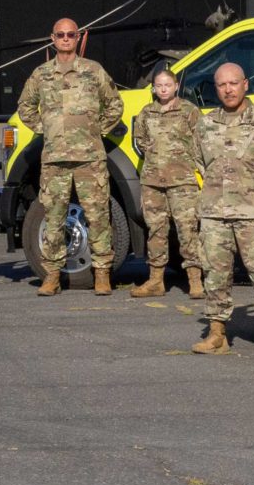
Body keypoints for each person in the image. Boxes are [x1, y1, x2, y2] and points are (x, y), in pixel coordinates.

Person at [189, 62, 254, 355]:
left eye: (233, 83)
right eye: (222, 85)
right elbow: (199, 162)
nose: (228, 89)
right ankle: (217, 334)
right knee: (215, 274)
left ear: (246, 84)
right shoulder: (205, 125)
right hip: (215, 215)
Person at [15, 18, 125, 295]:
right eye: (61, 34)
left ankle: (102, 273)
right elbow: (25, 107)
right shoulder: (41, 74)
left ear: (78, 38)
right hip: (55, 159)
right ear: (52, 38)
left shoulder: (93, 70)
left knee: (98, 216)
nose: (66, 38)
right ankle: (52, 275)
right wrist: (46, 129)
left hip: (90, 157)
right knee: (54, 217)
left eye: (71, 34)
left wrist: (95, 130)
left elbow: (114, 104)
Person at [128, 68, 204, 297]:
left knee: (188, 230)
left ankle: (196, 281)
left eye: (167, 85)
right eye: (159, 85)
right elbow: (139, 138)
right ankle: (155, 281)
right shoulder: (147, 112)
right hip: (153, 181)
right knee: (156, 231)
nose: (163, 89)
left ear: (176, 86)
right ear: (153, 88)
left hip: (183, 181)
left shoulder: (189, 111)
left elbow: (202, 139)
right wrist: (151, 150)